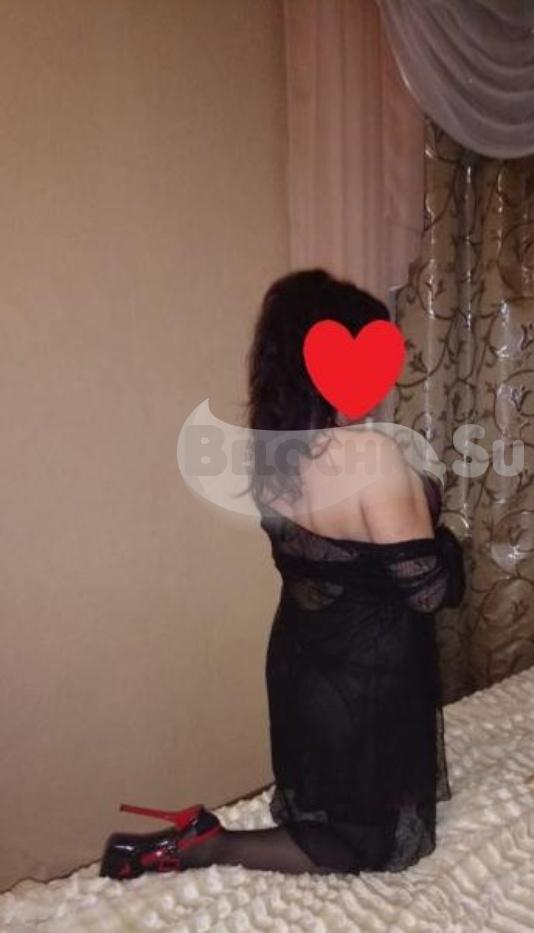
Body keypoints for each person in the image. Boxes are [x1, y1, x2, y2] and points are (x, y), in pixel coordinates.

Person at [100, 269, 466, 880]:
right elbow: (427, 592)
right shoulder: (373, 454)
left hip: (304, 668)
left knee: (336, 810)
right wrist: (446, 537)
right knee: (372, 846)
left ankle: (206, 841)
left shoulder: (272, 456)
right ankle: (206, 844)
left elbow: (333, 559)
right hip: (368, 679)